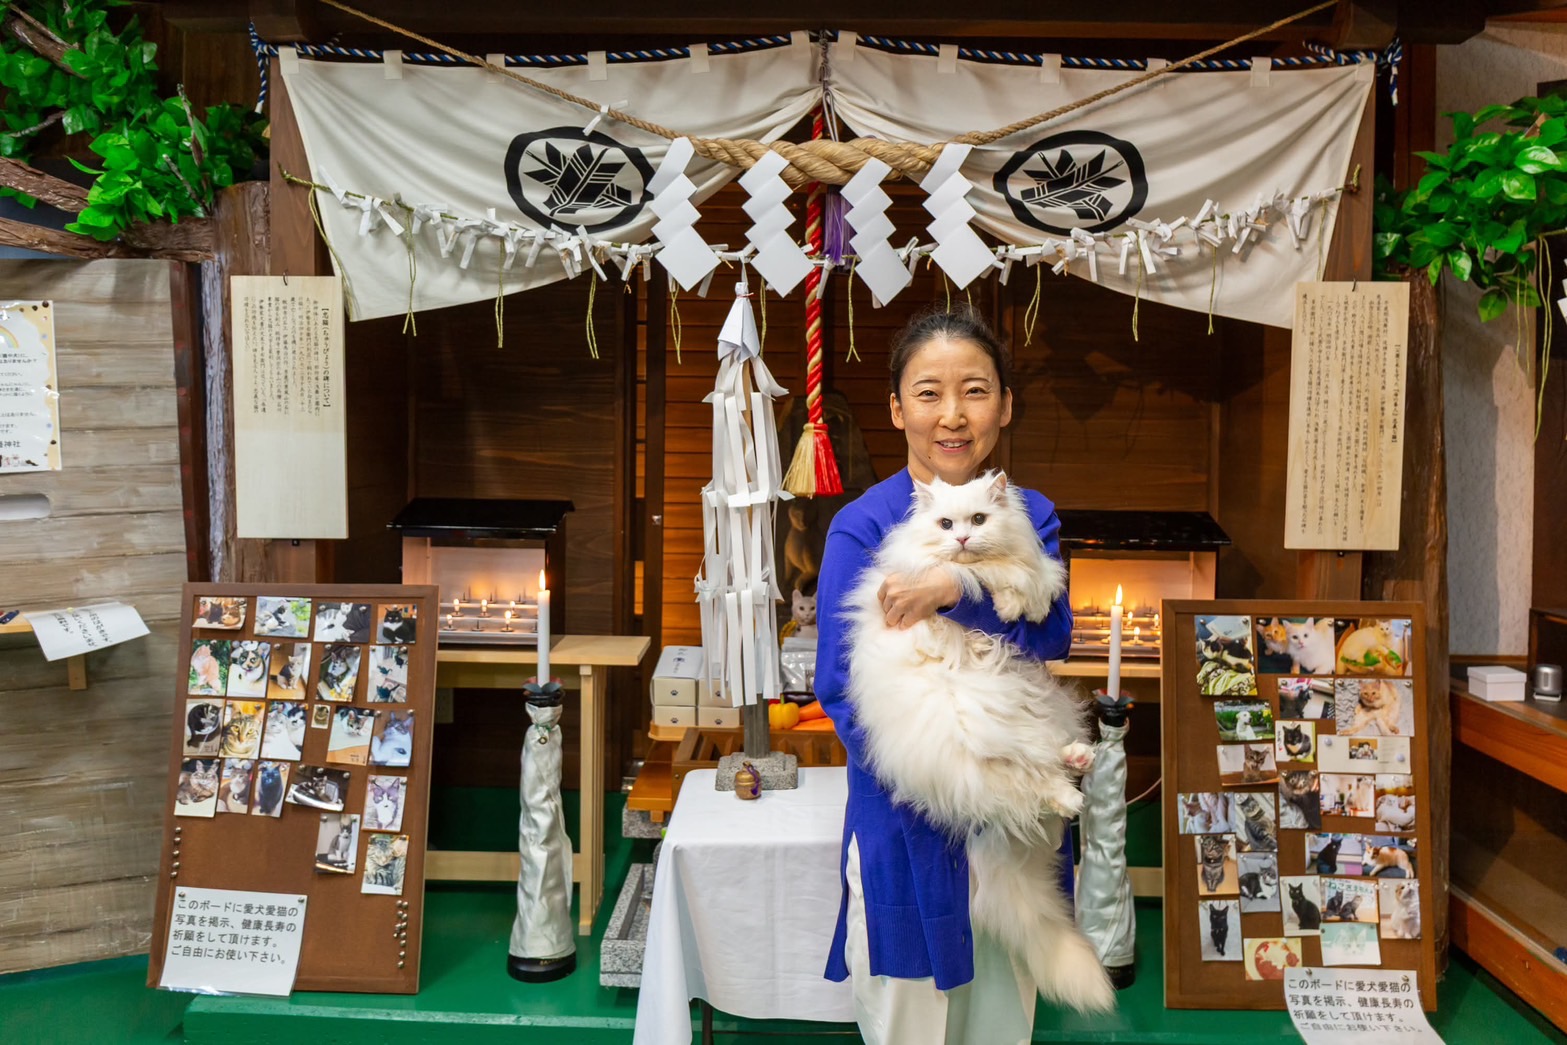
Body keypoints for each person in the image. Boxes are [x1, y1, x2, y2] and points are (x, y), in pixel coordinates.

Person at [815, 306, 1074, 1044]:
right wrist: (948, 775)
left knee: (1002, 1017)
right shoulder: (861, 527)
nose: (952, 415)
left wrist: (954, 591)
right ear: (896, 409)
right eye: (928, 392)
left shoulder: (1031, 513)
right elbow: (838, 689)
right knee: (909, 1022)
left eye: (976, 390)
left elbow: (1051, 633)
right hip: (909, 819)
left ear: (1005, 404)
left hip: (1017, 819)